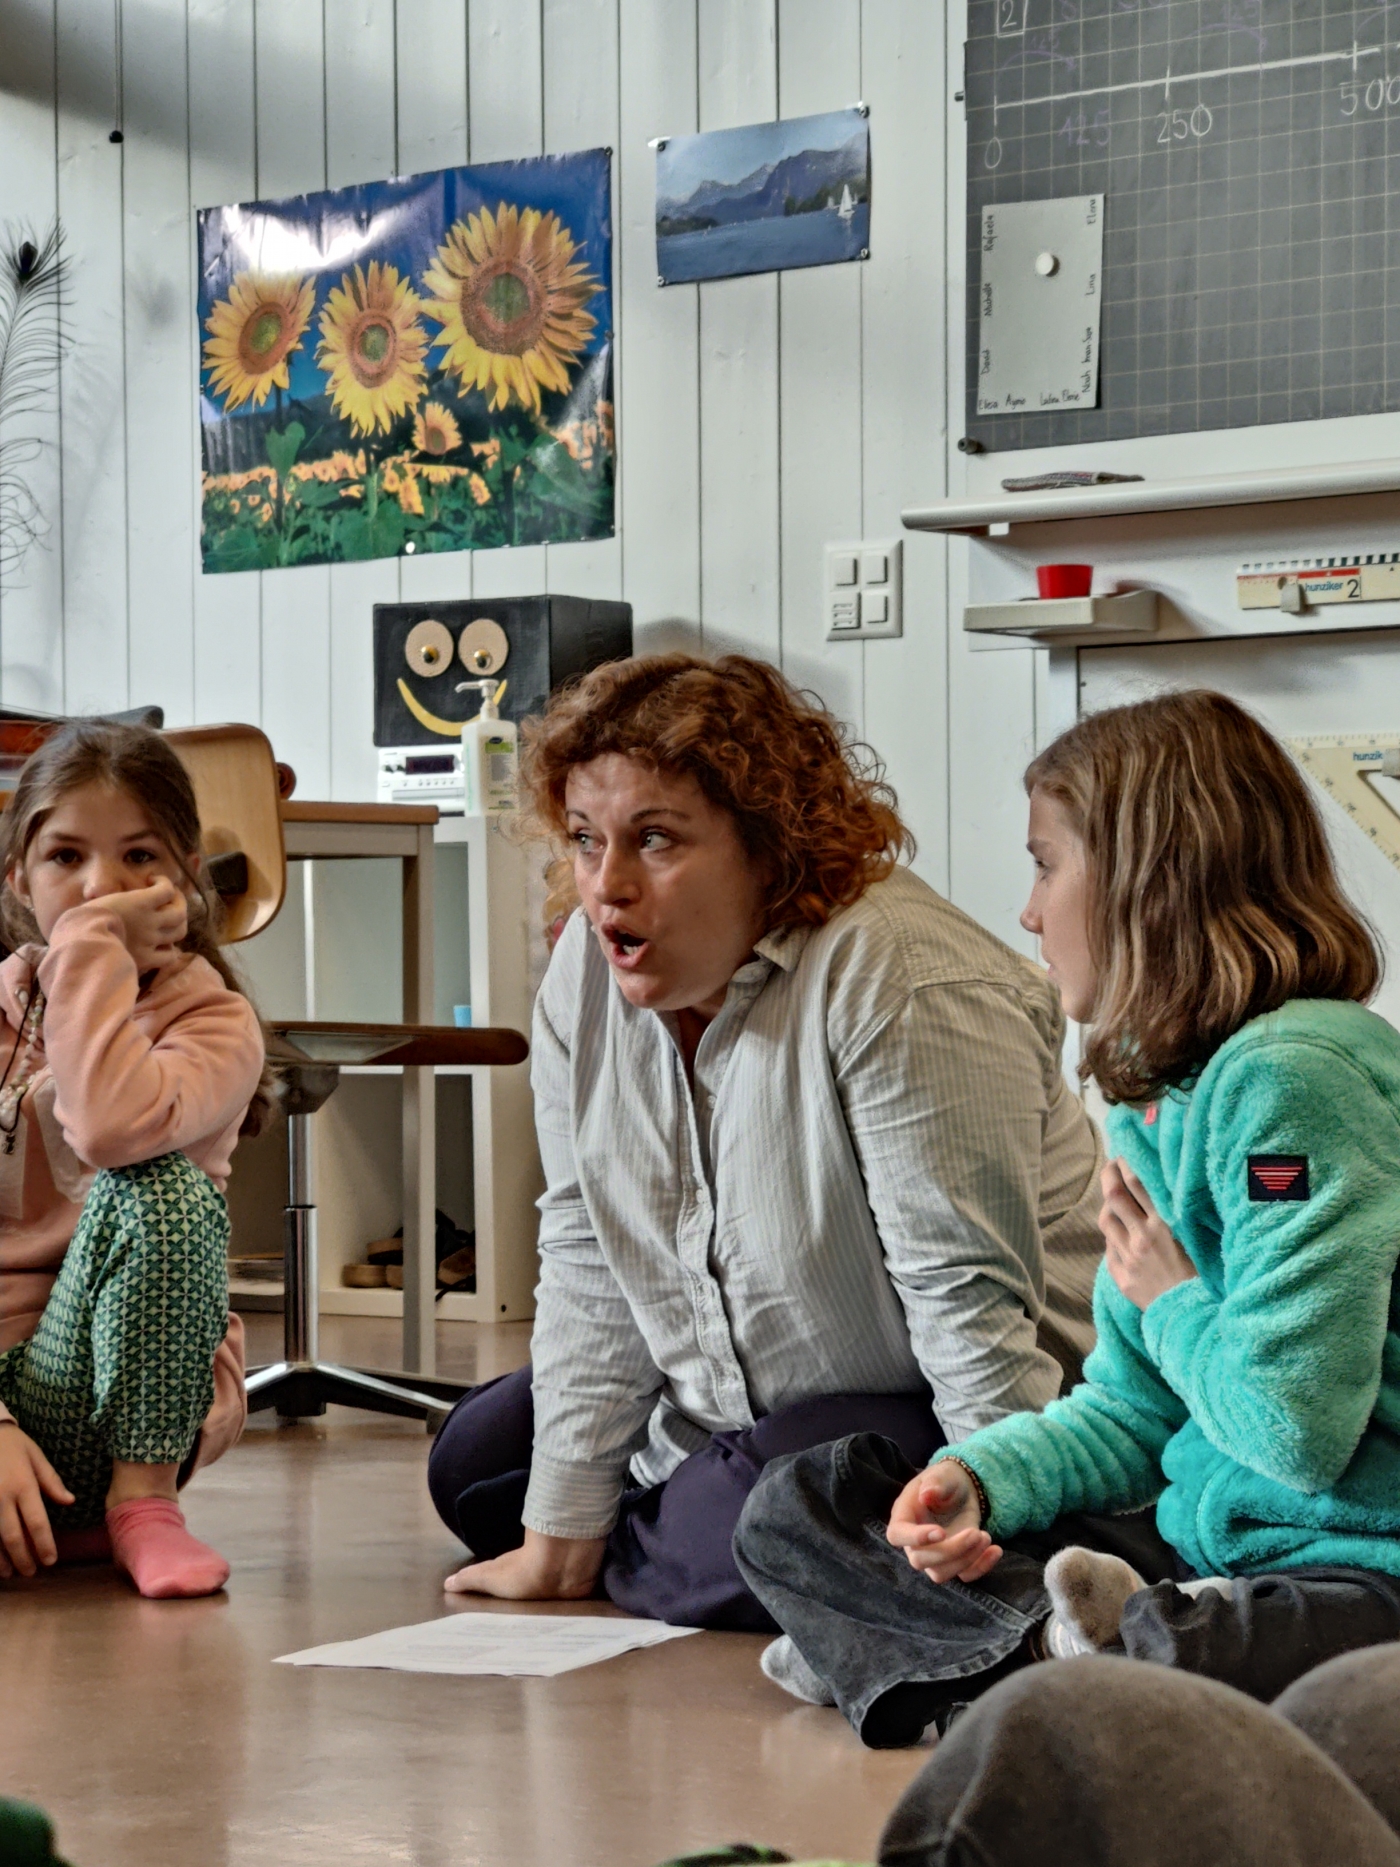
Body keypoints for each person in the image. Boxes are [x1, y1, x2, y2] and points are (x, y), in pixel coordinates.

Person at [735, 689, 1400, 1743]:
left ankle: (935, 1652)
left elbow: (1297, 1432)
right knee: (796, 1504)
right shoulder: (1157, 1099)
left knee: (1214, 1644)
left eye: (1046, 866)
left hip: (1356, 1564)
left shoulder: (1294, 1080)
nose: (1029, 912)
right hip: (1210, 1550)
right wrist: (977, 1482)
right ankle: (1025, 1649)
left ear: (1149, 879)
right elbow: (1132, 1414)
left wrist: (1170, 1299)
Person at [427, 652, 1105, 1627]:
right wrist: (559, 1538)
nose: (607, 885)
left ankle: (704, 1520)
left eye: (654, 839)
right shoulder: (586, 966)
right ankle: (681, 1519)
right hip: (738, 1390)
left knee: (738, 1519)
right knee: (473, 1465)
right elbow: (588, 1247)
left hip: (939, 1396)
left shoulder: (902, 977)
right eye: (584, 839)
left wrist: (1005, 1513)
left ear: (767, 846)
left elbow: (964, 1299)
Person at [0, 720, 267, 1599]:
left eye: (138, 857)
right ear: (17, 876)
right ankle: (43, 1523)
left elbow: (111, 1131)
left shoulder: (213, 1022)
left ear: (183, 879)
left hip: (110, 1398)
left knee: (163, 1187)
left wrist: (86, 949)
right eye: (65, 857)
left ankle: (142, 1508)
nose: (100, 887)